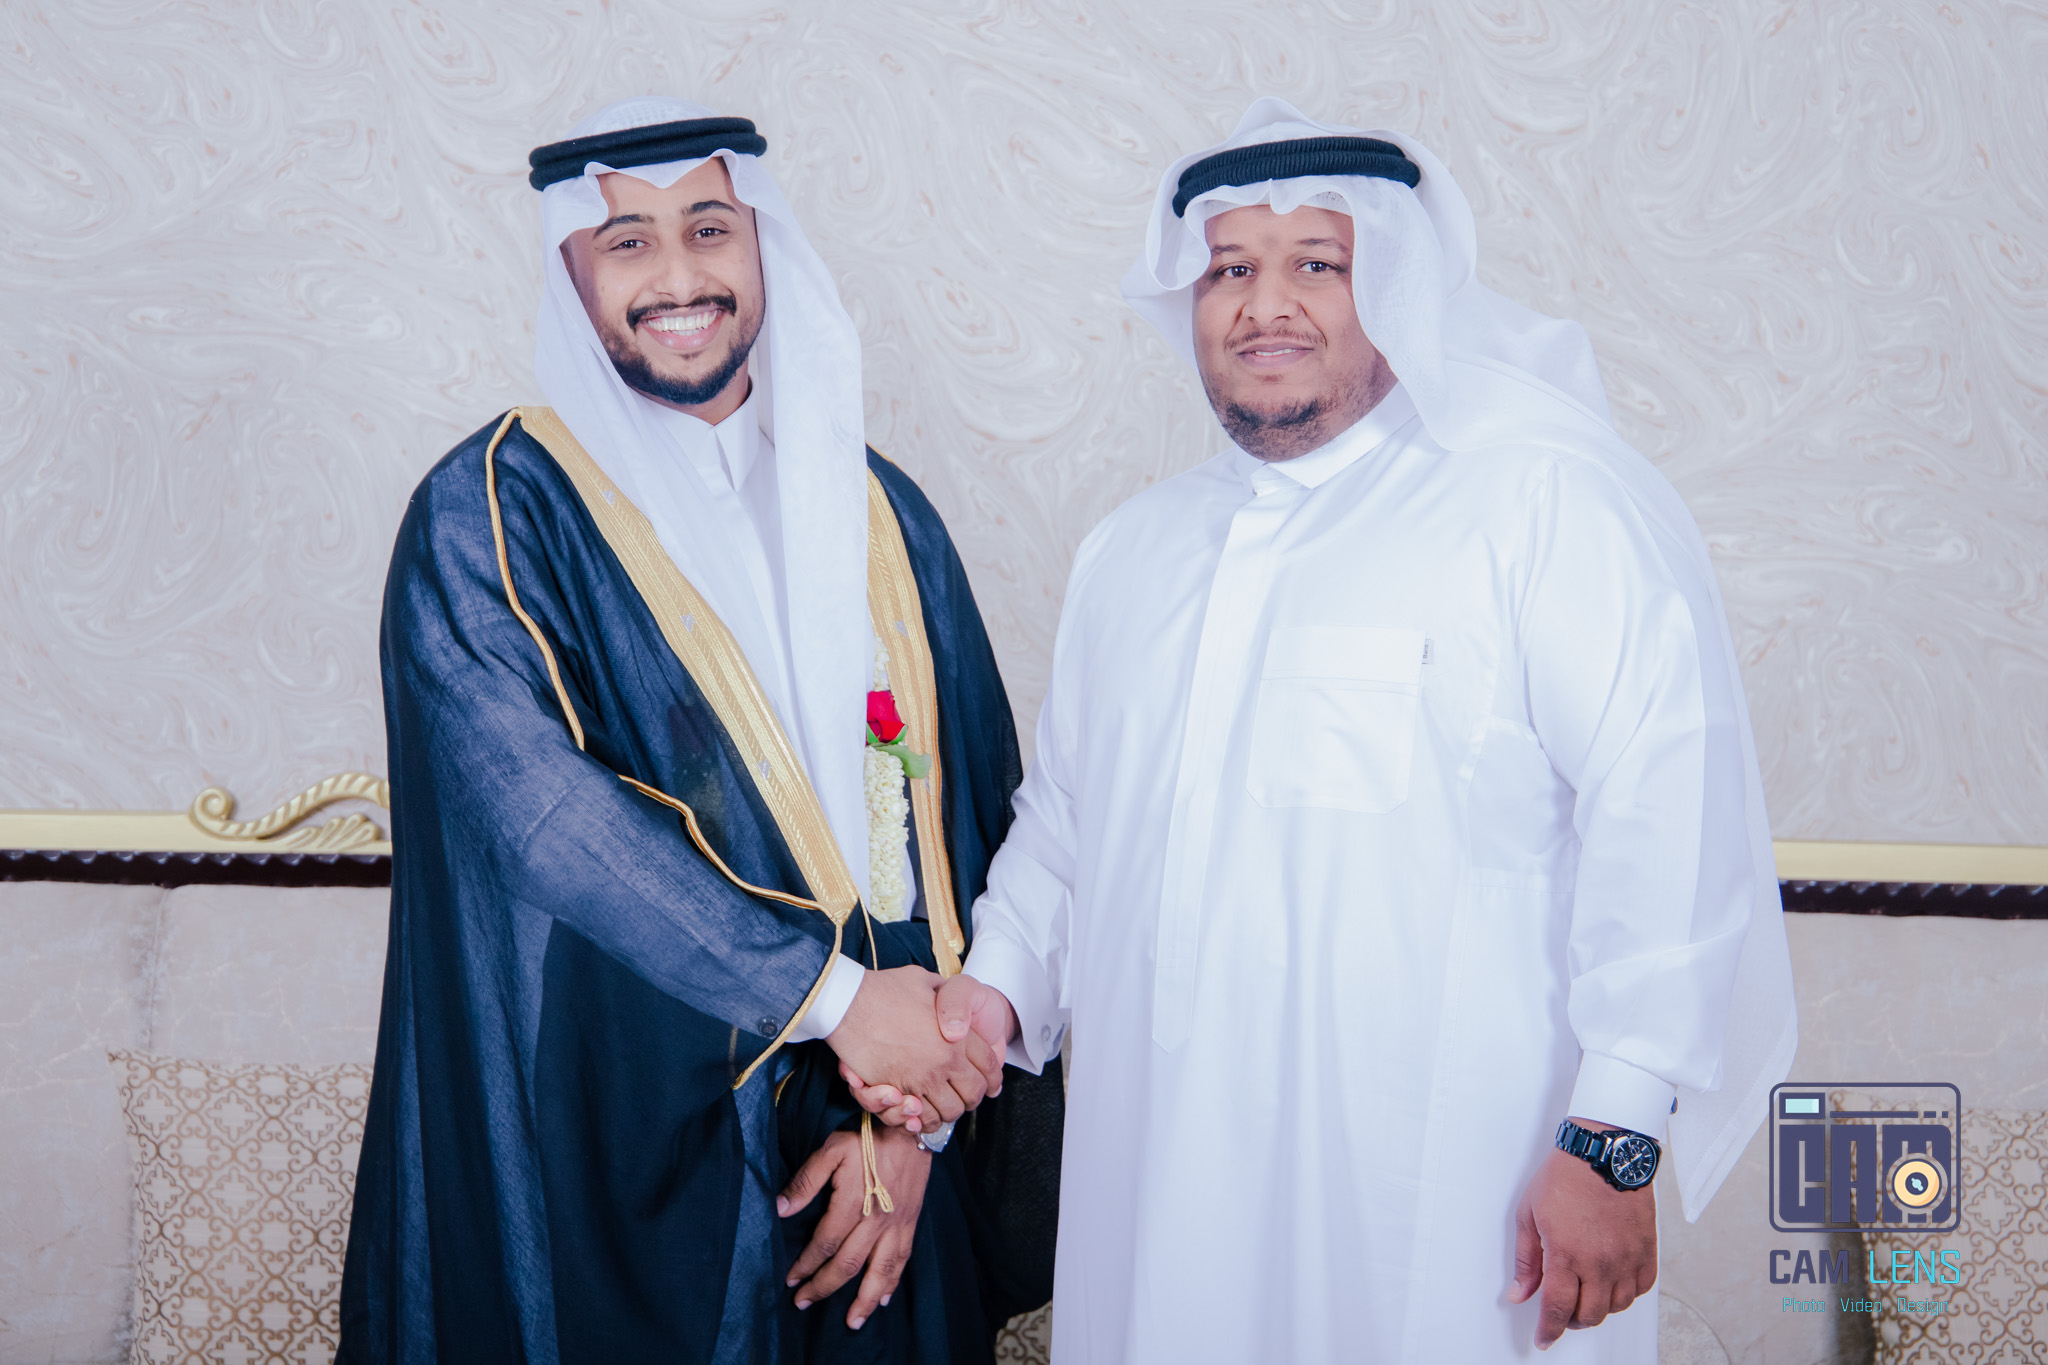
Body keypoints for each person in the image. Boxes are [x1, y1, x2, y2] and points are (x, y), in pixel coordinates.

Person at [849, 98, 1798, 1361]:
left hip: (1448, 1208)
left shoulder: (1537, 504)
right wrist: (987, 1003)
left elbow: (1667, 822)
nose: (1265, 306)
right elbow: (1071, 834)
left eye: (1317, 265)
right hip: (1160, 1191)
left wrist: (1613, 1139)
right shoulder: (1131, 552)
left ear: (1397, 285)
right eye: (1228, 270)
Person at [339, 97, 1060, 1365]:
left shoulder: (880, 515)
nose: (678, 277)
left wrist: (919, 1116)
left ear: (761, 244)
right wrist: (840, 1005)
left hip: (881, 1166)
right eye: (627, 242)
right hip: (613, 1163)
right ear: (571, 271)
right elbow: (543, 824)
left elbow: (963, 827)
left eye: (709, 229)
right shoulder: (491, 515)